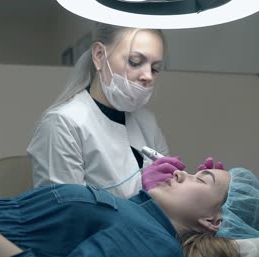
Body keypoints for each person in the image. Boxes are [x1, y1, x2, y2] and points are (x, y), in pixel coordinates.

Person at [0, 164, 234, 257]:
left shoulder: (155, 247)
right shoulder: (140, 221)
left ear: (213, 221)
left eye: (202, 179)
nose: (180, 171)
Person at [28, 22, 175, 198]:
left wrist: (197, 188)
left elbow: (170, 199)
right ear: (99, 55)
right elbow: (68, 213)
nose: (148, 76)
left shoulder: (147, 122)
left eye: (155, 68)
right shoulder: (63, 124)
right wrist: (146, 197)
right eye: (135, 62)